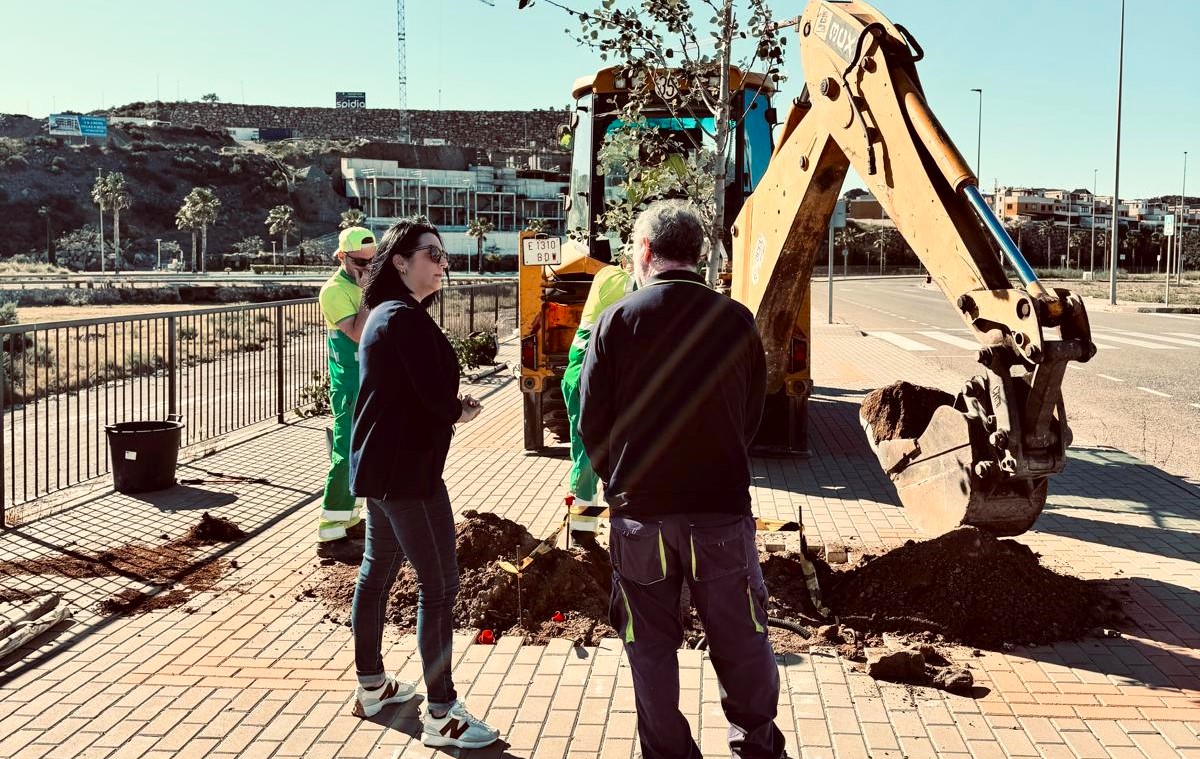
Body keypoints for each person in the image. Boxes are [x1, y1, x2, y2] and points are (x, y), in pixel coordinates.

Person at [579, 200, 786, 759]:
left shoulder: (616, 321)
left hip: (641, 515)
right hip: (719, 510)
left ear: (645, 252)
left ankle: (669, 751)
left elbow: (590, 422)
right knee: (740, 638)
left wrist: (618, 482)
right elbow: (752, 412)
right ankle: (756, 745)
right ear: (699, 254)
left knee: (648, 645)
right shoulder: (735, 319)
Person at [347, 219, 500, 751]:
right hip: (408, 476)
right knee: (439, 587)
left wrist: (449, 406)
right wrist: (458, 410)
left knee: (377, 571)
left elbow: (410, 393)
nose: (441, 263)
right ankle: (441, 713)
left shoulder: (391, 315)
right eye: (431, 254)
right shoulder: (401, 318)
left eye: (443, 256)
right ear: (399, 261)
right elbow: (430, 396)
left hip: (385, 471)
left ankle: (372, 686)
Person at [561, 260, 632, 539]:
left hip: (597, 379)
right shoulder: (613, 277)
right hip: (584, 381)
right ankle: (582, 531)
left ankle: (595, 527)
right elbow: (642, 288)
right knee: (587, 456)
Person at [316, 226, 375, 559]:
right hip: (350, 385)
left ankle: (350, 520)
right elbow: (356, 333)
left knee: (361, 453)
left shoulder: (363, 280)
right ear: (342, 257)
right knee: (344, 453)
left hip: (368, 381)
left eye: (373, 262)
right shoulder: (334, 291)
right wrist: (370, 293)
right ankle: (329, 536)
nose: (367, 269)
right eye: (361, 263)